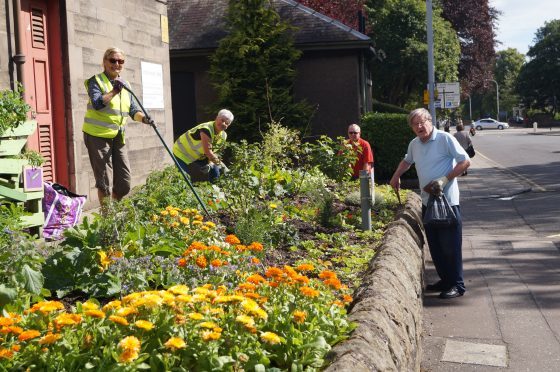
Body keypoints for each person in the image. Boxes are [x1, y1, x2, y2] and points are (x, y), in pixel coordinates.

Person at [390, 108, 470, 299]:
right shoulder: (414, 144)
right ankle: (445, 280)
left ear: (430, 121)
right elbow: (407, 161)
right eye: (415, 124)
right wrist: (395, 176)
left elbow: (465, 161)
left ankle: (457, 285)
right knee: (435, 245)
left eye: (422, 122)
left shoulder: (444, 139)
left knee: (450, 245)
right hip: (427, 201)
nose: (419, 126)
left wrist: (444, 180)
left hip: (447, 202)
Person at [83, 47, 154, 204]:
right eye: (113, 60)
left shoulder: (126, 84)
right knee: (104, 181)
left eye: (120, 61)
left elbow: (133, 110)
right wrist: (115, 91)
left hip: (117, 136)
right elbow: (97, 104)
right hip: (97, 136)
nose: (117, 64)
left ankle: (113, 207)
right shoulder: (96, 81)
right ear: (104, 62)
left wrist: (145, 119)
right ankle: (107, 219)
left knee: (124, 183)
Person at [173, 109, 233, 183]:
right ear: (217, 118)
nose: (223, 124)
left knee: (215, 170)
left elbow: (214, 153)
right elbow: (208, 152)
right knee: (184, 178)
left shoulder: (223, 136)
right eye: (222, 120)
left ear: (229, 125)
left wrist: (210, 164)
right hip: (181, 152)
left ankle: (215, 192)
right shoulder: (206, 129)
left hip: (198, 156)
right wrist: (225, 169)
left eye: (227, 123)